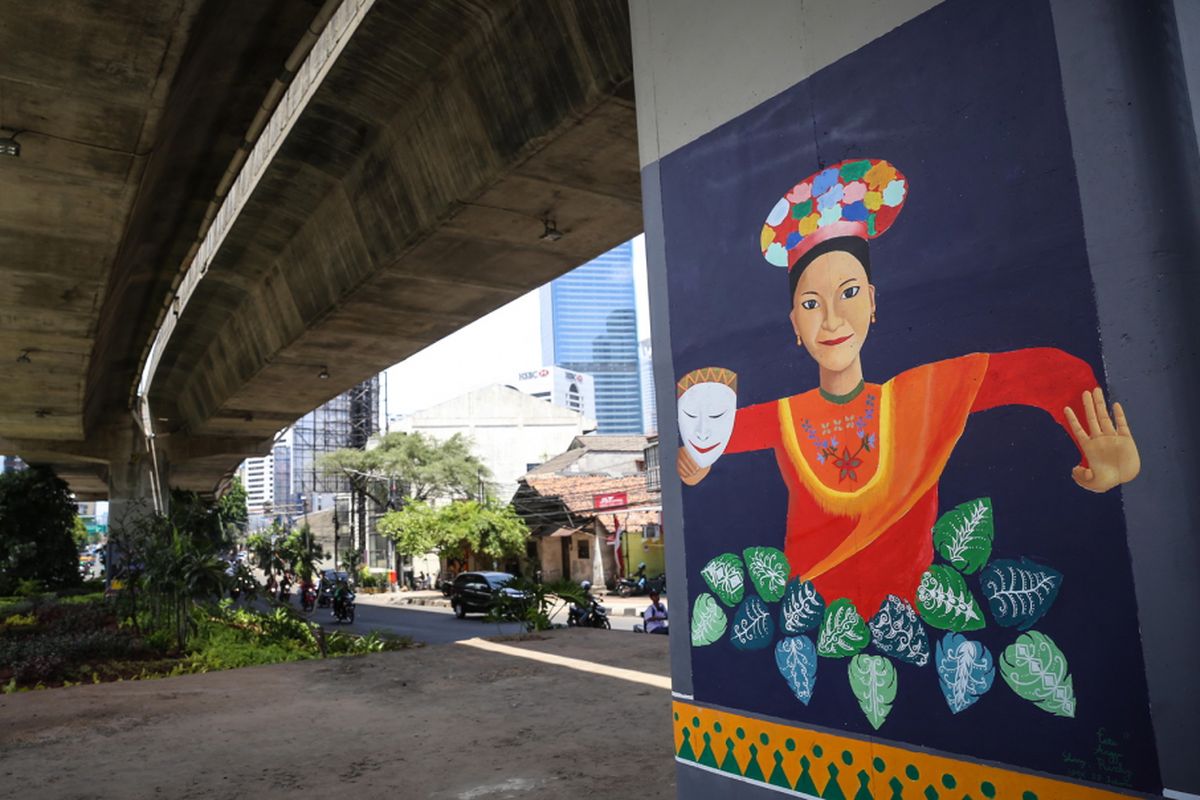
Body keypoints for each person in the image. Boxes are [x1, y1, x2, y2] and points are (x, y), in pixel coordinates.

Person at [676, 158, 1141, 616]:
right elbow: (709, 439)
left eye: (850, 293)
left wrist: (1099, 451)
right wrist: (692, 462)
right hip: (813, 620)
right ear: (795, 323)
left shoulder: (921, 397)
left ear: (873, 302)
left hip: (910, 621)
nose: (833, 319)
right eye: (812, 303)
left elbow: (1040, 373)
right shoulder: (783, 416)